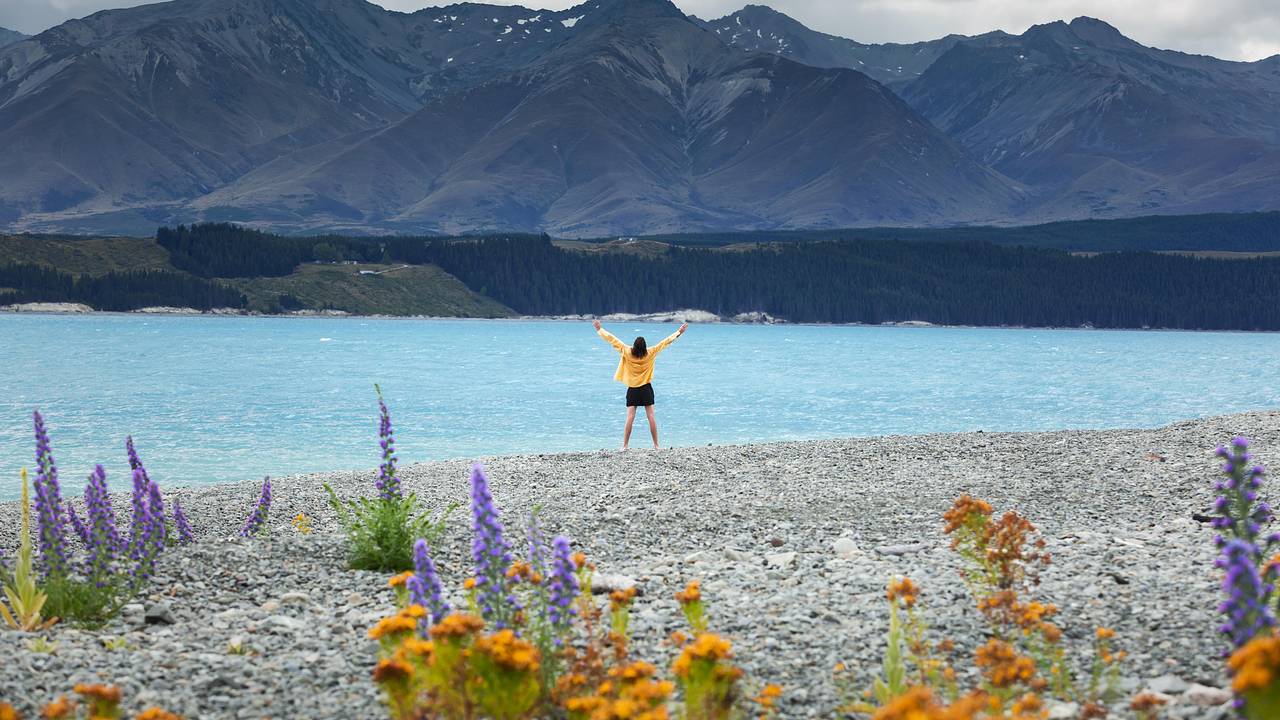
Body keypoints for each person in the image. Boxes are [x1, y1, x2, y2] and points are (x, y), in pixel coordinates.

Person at [593, 319, 689, 450]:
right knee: (651, 416)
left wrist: (600, 329)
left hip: (633, 389)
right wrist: (679, 332)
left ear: (634, 346)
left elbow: (612, 340)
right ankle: (656, 445)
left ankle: (625, 445)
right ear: (644, 347)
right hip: (646, 389)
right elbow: (665, 342)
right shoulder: (651, 352)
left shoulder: (627, 351)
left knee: (630, 417)